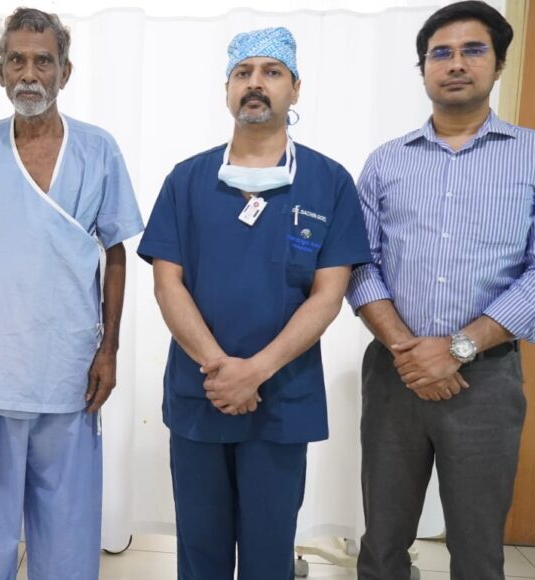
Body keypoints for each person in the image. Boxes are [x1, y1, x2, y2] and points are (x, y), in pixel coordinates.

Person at [347, 2, 535, 578]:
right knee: (382, 541)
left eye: (473, 50)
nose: (456, 64)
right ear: (424, 68)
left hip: (486, 379)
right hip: (394, 375)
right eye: (441, 53)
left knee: (477, 546)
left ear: (498, 64)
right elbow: (359, 264)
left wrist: (456, 350)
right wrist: (410, 351)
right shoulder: (385, 163)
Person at [137, 27, 371, 579]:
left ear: (295, 88)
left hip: (281, 400)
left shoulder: (327, 182)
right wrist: (221, 369)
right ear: (227, 91)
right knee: (200, 550)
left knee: (270, 552)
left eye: (271, 72)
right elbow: (168, 283)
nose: (256, 84)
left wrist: (257, 372)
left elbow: (329, 293)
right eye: (244, 73)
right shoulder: (187, 180)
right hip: (202, 393)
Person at [0, 7, 144, 579]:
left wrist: (110, 350)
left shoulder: (98, 150)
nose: (30, 73)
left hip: (69, 363)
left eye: (43, 61)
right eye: (17, 61)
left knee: (68, 523)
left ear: (65, 72)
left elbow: (117, 253)